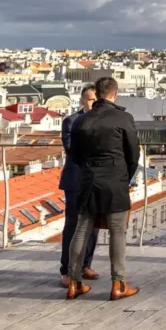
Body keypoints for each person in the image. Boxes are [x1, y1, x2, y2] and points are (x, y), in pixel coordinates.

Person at [65, 77, 141, 301]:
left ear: (97, 95)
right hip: (115, 180)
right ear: (115, 94)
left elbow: (75, 154)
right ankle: (118, 284)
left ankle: (74, 282)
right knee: (117, 232)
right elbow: (133, 153)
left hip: (88, 179)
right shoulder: (123, 117)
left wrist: (89, 168)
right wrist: (124, 175)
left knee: (81, 230)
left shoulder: (82, 120)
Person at [58, 85, 100, 288]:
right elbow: (70, 148)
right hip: (76, 179)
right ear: (83, 101)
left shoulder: (104, 121)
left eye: (97, 100)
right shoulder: (71, 121)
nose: (94, 104)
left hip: (96, 179)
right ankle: (66, 270)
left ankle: (85, 265)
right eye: (91, 100)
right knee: (73, 225)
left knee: (93, 225)